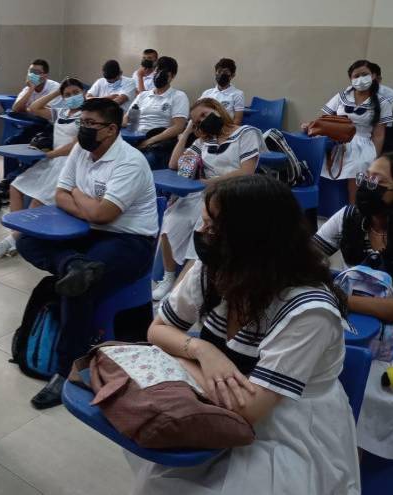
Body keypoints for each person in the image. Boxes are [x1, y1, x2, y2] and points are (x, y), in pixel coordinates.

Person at [138, 174, 359, 494]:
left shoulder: (310, 311)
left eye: (213, 228)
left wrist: (172, 360)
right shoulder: (216, 268)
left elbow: (249, 409)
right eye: (204, 223)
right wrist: (203, 351)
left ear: (252, 240)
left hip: (287, 433)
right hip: (216, 407)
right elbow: (158, 330)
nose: (201, 234)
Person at [16, 98, 158, 409]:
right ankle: (74, 263)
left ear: (111, 129)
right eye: (82, 123)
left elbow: (105, 214)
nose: (83, 129)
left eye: (90, 124)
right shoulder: (81, 149)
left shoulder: (129, 162)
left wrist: (78, 197)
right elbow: (59, 194)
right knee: (26, 240)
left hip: (130, 242)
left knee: (78, 288)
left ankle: (66, 372)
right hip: (88, 234)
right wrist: (86, 207)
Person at [313, 153, 393, 463]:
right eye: (366, 177)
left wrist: (344, 299)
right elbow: (307, 259)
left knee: (378, 393)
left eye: (379, 181)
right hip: (355, 326)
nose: (367, 185)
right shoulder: (349, 217)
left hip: (388, 339)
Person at [152, 98, 261, 301]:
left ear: (217, 110)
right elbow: (174, 164)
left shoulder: (246, 133)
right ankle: (168, 277)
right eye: (197, 121)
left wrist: (210, 182)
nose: (202, 121)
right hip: (203, 193)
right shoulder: (204, 140)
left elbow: (247, 172)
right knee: (172, 217)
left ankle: (179, 291)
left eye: (204, 114)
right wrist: (186, 133)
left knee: (203, 228)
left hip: (233, 194)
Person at [0, 78, 85, 258]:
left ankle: (13, 240)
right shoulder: (61, 112)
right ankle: (17, 234)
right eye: (68, 94)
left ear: (83, 93)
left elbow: (75, 145)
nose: (72, 97)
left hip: (68, 164)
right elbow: (34, 108)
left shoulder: (85, 117)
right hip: (51, 161)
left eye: (76, 93)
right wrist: (56, 91)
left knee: (36, 201)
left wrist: (51, 155)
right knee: (15, 186)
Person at [306, 59, 393, 204]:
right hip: (338, 142)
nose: (360, 79)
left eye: (364, 74)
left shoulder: (382, 102)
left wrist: (375, 159)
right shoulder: (342, 96)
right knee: (316, 164)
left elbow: (379, 135)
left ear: (373, 76)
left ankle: (355, 214)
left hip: (363, 145)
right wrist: (309, 125)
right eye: (356, 76)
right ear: (351, 79)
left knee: (357, 174)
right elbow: (324, 119)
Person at [125, 56, 190, 170]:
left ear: (172, 76)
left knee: (134, 167)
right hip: (135, 140)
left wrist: (150, 141)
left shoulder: (178, 96)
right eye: (157, 70)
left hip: (157, 144)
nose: (159, 74)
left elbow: (178, 127)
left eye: (164, 72)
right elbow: (128, 120)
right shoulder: (143, 96)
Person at [199, 58, 245, 124]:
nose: (222, 74)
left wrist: (227, 133)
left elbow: (237, 120)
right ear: (215, 73)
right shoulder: (207, 93)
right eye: (219, 71)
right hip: (204, 129)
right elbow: (197, 113)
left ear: (232, 75)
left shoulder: (238, 94)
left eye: (226, 72)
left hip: (225, 130)